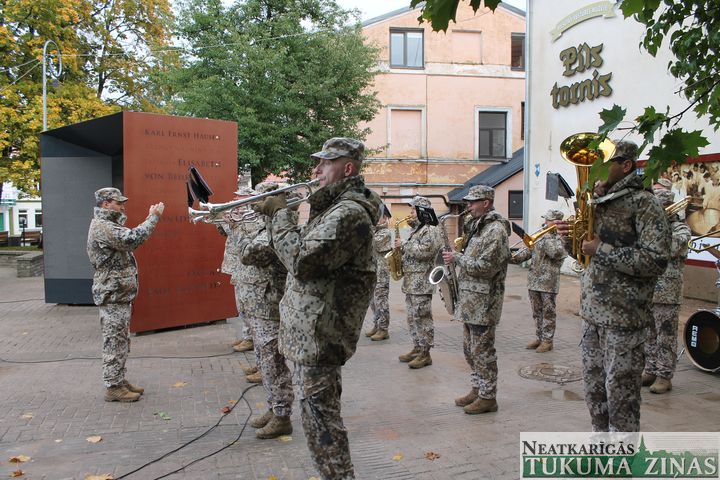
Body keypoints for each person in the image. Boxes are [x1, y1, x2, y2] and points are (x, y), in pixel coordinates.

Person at [254, 137, 382, 480]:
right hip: (312, 332)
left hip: (321, 335)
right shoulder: (331, 208)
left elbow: (302, 261)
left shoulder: (348, 213)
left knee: (323, 425)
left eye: (325, 163)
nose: (316, 170)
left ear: (347, 168)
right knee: (316, 421)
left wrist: (281, 215)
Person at [557, 140, 670, 432]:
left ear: (626, 165)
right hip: (592, 316)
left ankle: (621, 455)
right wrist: (570, 240)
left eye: (603, 163)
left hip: (624, 320)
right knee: (594, 393)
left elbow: (656, 261)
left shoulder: (644, 204)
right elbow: (585, 256)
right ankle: (600, 448)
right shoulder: (597, 201)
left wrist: (601, 249)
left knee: (621, 398)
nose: (595, 170)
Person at [87, 187, 164, 402]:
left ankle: (119, 380)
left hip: (118, 294)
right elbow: (131, 239)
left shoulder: (109, 224)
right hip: (112, 294)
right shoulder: (103, 226)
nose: (122, 206)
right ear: (106, 204)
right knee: (114, 341)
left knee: (121, 339)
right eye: (118, 203)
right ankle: (113, 387)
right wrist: (153, 217)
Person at [442, 185, 510, 415]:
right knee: (470, 350)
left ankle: (488, 397)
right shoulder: (477, 226)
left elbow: (486, 268)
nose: (468, 206)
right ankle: (477, 388)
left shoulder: (496, 231)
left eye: (472, 202)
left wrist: (458, 258)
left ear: (486, 203)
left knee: (483, 352)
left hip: (484, 303)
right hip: (470, 300)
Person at [241, 181, 295, 439]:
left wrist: (237, 230)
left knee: (274, 362)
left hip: (271, 304)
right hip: (260, 304)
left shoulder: (282, 229)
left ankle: (282, 414)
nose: (256, 204)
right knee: (265, 360)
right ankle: (274, 407)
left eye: (262, 199)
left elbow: (249, 254)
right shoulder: (269, 226)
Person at [642, 188, 691, 394]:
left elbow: (668, 248)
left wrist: (657, 228)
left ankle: (664, 375)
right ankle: (650, 369)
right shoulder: (650, 226)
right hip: (649, 289)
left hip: (668, 293)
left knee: (666, 336)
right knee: (649, 334)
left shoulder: (681, 229)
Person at [508, 209, 567, 353]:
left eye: (548, 220)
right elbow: (524, 255)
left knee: (548, 313)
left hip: (548, 282)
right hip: (534, 281)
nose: (545, 222)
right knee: (536, 312)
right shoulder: (539, 237)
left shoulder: (562, 238)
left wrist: (545, 236)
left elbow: (555, 253)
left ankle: (548, 341)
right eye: (546, 219)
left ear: (557, 222)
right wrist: (509, 256)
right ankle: (539, 337)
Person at [396, 196, 443, 369]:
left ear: (423, 211)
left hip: (422, 282)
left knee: (423, 318)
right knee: (412, 317)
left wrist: (404, 244)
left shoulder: (431, 229)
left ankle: (425, 353)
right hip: (411, 281)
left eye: (413, 210)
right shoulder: (418, 229)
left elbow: (425, 252)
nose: (411, 213)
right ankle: (417, 347)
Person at [219, 185, 257, 355]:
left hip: (247, 266)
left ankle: (250, 338)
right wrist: (222, 220)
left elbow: (244, 236)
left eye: (239, 197)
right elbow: (229, 233)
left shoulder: (252, 216)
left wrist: (232, 222)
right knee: (240, 303)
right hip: (237, 265)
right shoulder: (240, 214)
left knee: (247, 304)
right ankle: (246, 335)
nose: (235, 199)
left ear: (249, 198)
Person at [365, 204, 393, 341]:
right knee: (373, 302)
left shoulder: (385, 233)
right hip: (372, 272)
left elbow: (371, 244)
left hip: (381, 274)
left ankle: (383, 329)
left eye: (378, 216)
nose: (375, 219)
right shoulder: (375, 231)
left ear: (385, 218)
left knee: (381, 301)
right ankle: (376, 325)